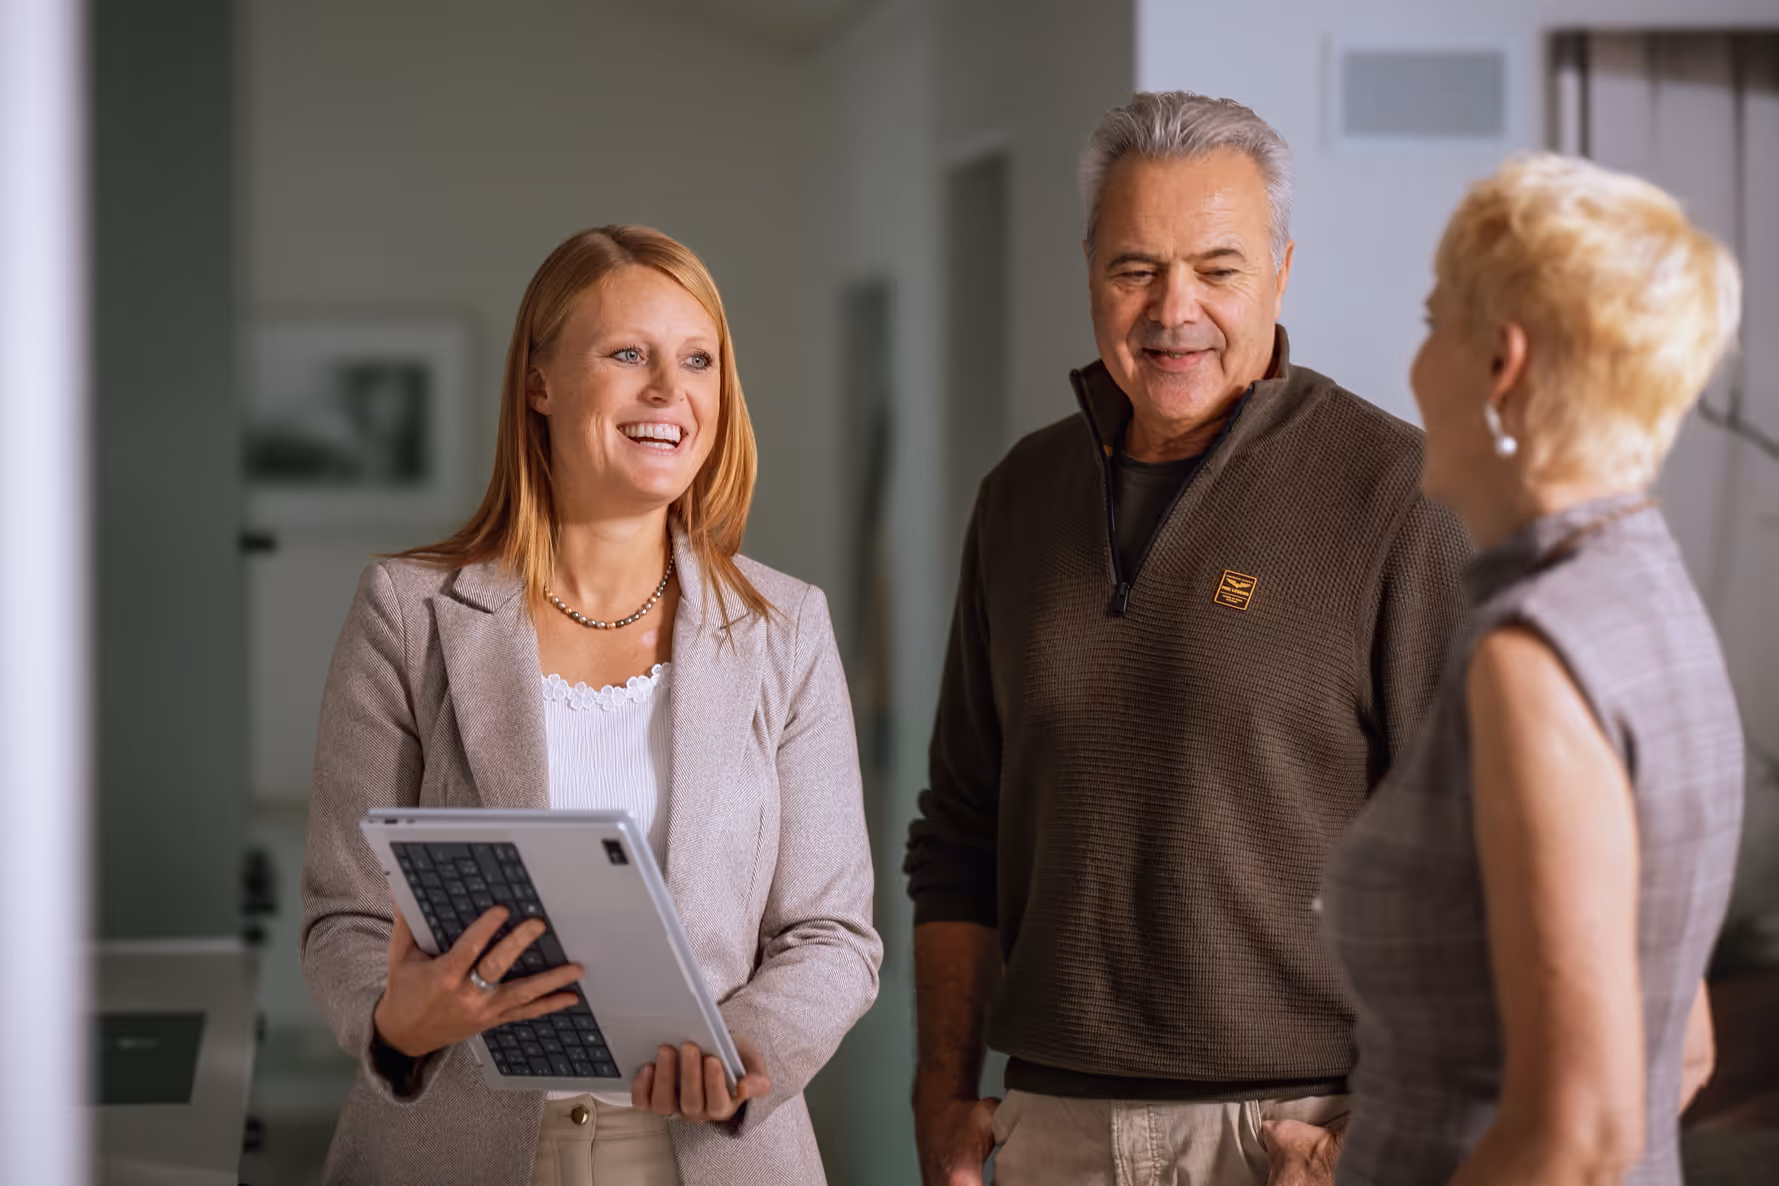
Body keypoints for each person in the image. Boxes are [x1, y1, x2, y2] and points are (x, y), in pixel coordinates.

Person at [902, 91, 1471, 1186]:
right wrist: (940, 1094)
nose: (1175, 310)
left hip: (1295, 1135)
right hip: (1047, 1127)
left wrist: (1399, 1126)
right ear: (1088, 273)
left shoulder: (1397, 496)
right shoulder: (1019, 496)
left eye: (1218, 268)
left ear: (1281, 272)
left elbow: (1465, 858)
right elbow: (960, 833)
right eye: (1135, 269)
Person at [301, 225, 882, 1186]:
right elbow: (345, 917)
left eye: (697, 360)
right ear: (539, 382)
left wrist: (742, 1047)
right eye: (626, 355)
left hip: (705, 1153)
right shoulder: (407, 613)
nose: (668, 392)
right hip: (451, 1148)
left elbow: (832, 935)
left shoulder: (786, 628)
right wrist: (396, 1018)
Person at [1320, 154, 1743, 1185]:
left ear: (1501, 363)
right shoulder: (1657, 603)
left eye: (1433, 324)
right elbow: (1680, 1050)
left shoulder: (1533, 657)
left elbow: (1576, 1135)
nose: (1415, 366)